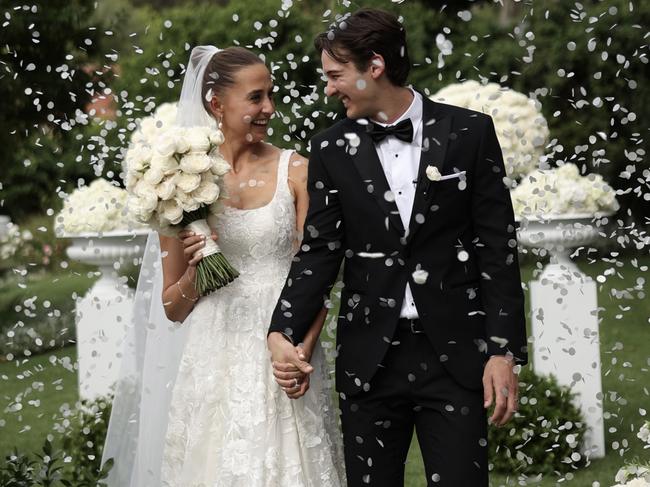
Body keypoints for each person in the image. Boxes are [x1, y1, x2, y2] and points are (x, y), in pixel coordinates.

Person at [268, 8, 528, 487]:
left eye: (335, 75)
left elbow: (498, 248)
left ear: (375, 66)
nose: (328, 88)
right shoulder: (329, 148)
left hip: (455, 357)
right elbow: (320, 250)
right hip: (370, 357)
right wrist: (282, 328)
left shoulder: (469, 132)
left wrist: (503, 351)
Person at [102, 46, 344, 487]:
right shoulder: (178, 183)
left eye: (270, 95)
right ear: (216, 102)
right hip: (213, 355)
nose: (269, 108)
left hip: (284, 348)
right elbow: (173, 307)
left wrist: (301, 352)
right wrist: (197, 272)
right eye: (256, 98)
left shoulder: (298, 171)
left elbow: (319, 275)